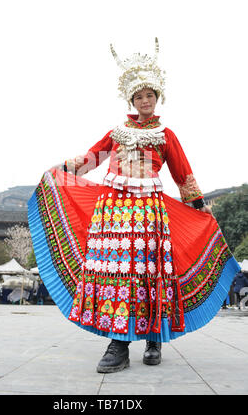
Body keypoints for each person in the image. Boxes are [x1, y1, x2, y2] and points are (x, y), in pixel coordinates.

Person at [28, 39, 240, 373]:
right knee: (116, 272)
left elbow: (183, 175)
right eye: (139, 96)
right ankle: (119, 342)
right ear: (131, 99)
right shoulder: (117, 132)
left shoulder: (166, 135)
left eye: (150, 95)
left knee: (148, 273)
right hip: (111, 213)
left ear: (158, 98)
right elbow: (90, 160)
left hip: (148, 215)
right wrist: (60, 171)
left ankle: (154, 336)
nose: (145, 101)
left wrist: (201, 209)